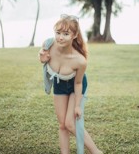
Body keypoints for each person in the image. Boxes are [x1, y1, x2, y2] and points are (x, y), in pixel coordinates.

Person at [39, 14, 103, 154]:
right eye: (58, 33)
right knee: (62, 125)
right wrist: (42, 57)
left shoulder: (80, 60)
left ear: (74, 35)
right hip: (59, 84)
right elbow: (43, 57)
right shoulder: (48, 44)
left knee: (70, 123)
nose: (60, 37)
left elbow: (79, 83)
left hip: (76, 86)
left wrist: (78, 106)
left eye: (66, 34)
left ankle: (96, 152)